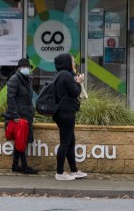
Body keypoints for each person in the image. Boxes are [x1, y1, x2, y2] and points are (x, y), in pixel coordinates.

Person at [52, 53, 87, 181]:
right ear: (67, 62)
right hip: (66, 112)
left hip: (61, 113)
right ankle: (60, 172)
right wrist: (79, 82)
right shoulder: (66, 76)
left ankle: (74, 170)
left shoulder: (58, 75)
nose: (74, 63)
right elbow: (75, 92)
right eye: (72, 61)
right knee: (65, 143)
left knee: (71, 141)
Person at [5, 58, 38, 174]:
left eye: (28, 67)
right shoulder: (14, 79)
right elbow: (10, 98)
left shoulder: (27, 79)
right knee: (21, 141)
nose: (27, 69)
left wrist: (31, 113)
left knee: (21, 141)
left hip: (26, 115)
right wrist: (15, 116)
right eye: (25, 67)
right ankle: (24, 166)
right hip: (18, 117)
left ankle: (15, 165)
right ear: (19, 68)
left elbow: (28, 98)